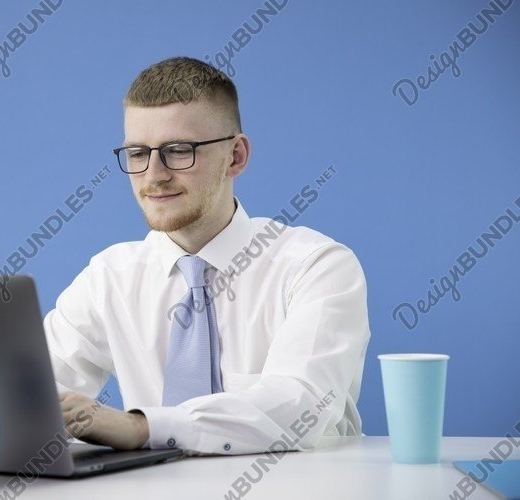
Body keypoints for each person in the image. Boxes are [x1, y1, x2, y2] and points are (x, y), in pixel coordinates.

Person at [44, 56, 370, 455]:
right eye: (137, 153)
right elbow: (35, 389)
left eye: (179, 151)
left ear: (236, 156)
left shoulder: (317, 266)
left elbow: (303, 403)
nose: (153, 175)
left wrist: (141, 428)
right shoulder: (109, 277)